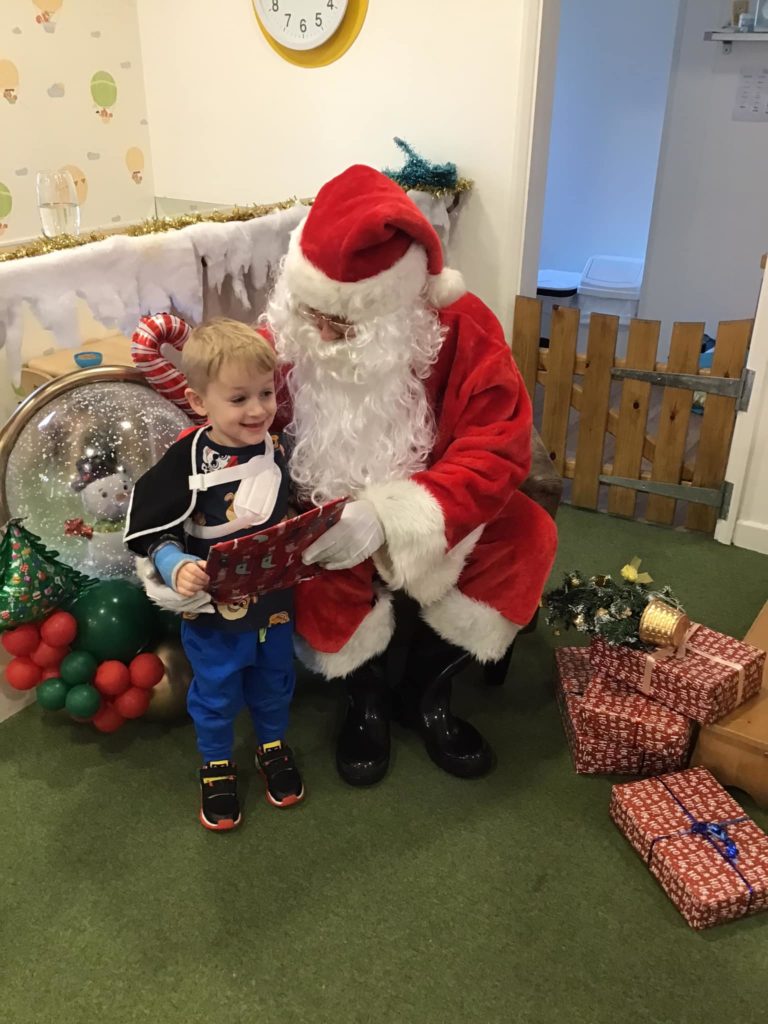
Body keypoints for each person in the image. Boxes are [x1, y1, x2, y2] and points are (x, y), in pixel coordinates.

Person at [264, 164, 558, 787]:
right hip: (320, 502)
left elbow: (498, 444)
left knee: (527, 538)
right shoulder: (292, 330)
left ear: (397, 305)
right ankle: (364, 697)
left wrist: (391, 517)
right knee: (310, 560)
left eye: (345, 325)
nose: (322, 335)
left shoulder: (463, 325)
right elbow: (237, 414)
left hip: (436, 497)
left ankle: (425, 695)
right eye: (311, 313)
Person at [124, 318, 303, 831]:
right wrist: (174, 564)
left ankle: (272, 744)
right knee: (217, 690)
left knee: (275, 681)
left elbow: (293, 506)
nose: (259, 409)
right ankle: (217, 763)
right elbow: (150, 527)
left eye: (266, 393)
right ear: (198, 401)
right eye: (239, 398)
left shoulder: (277, 447)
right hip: (212, 612)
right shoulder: (187, 458)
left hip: (274, 603)